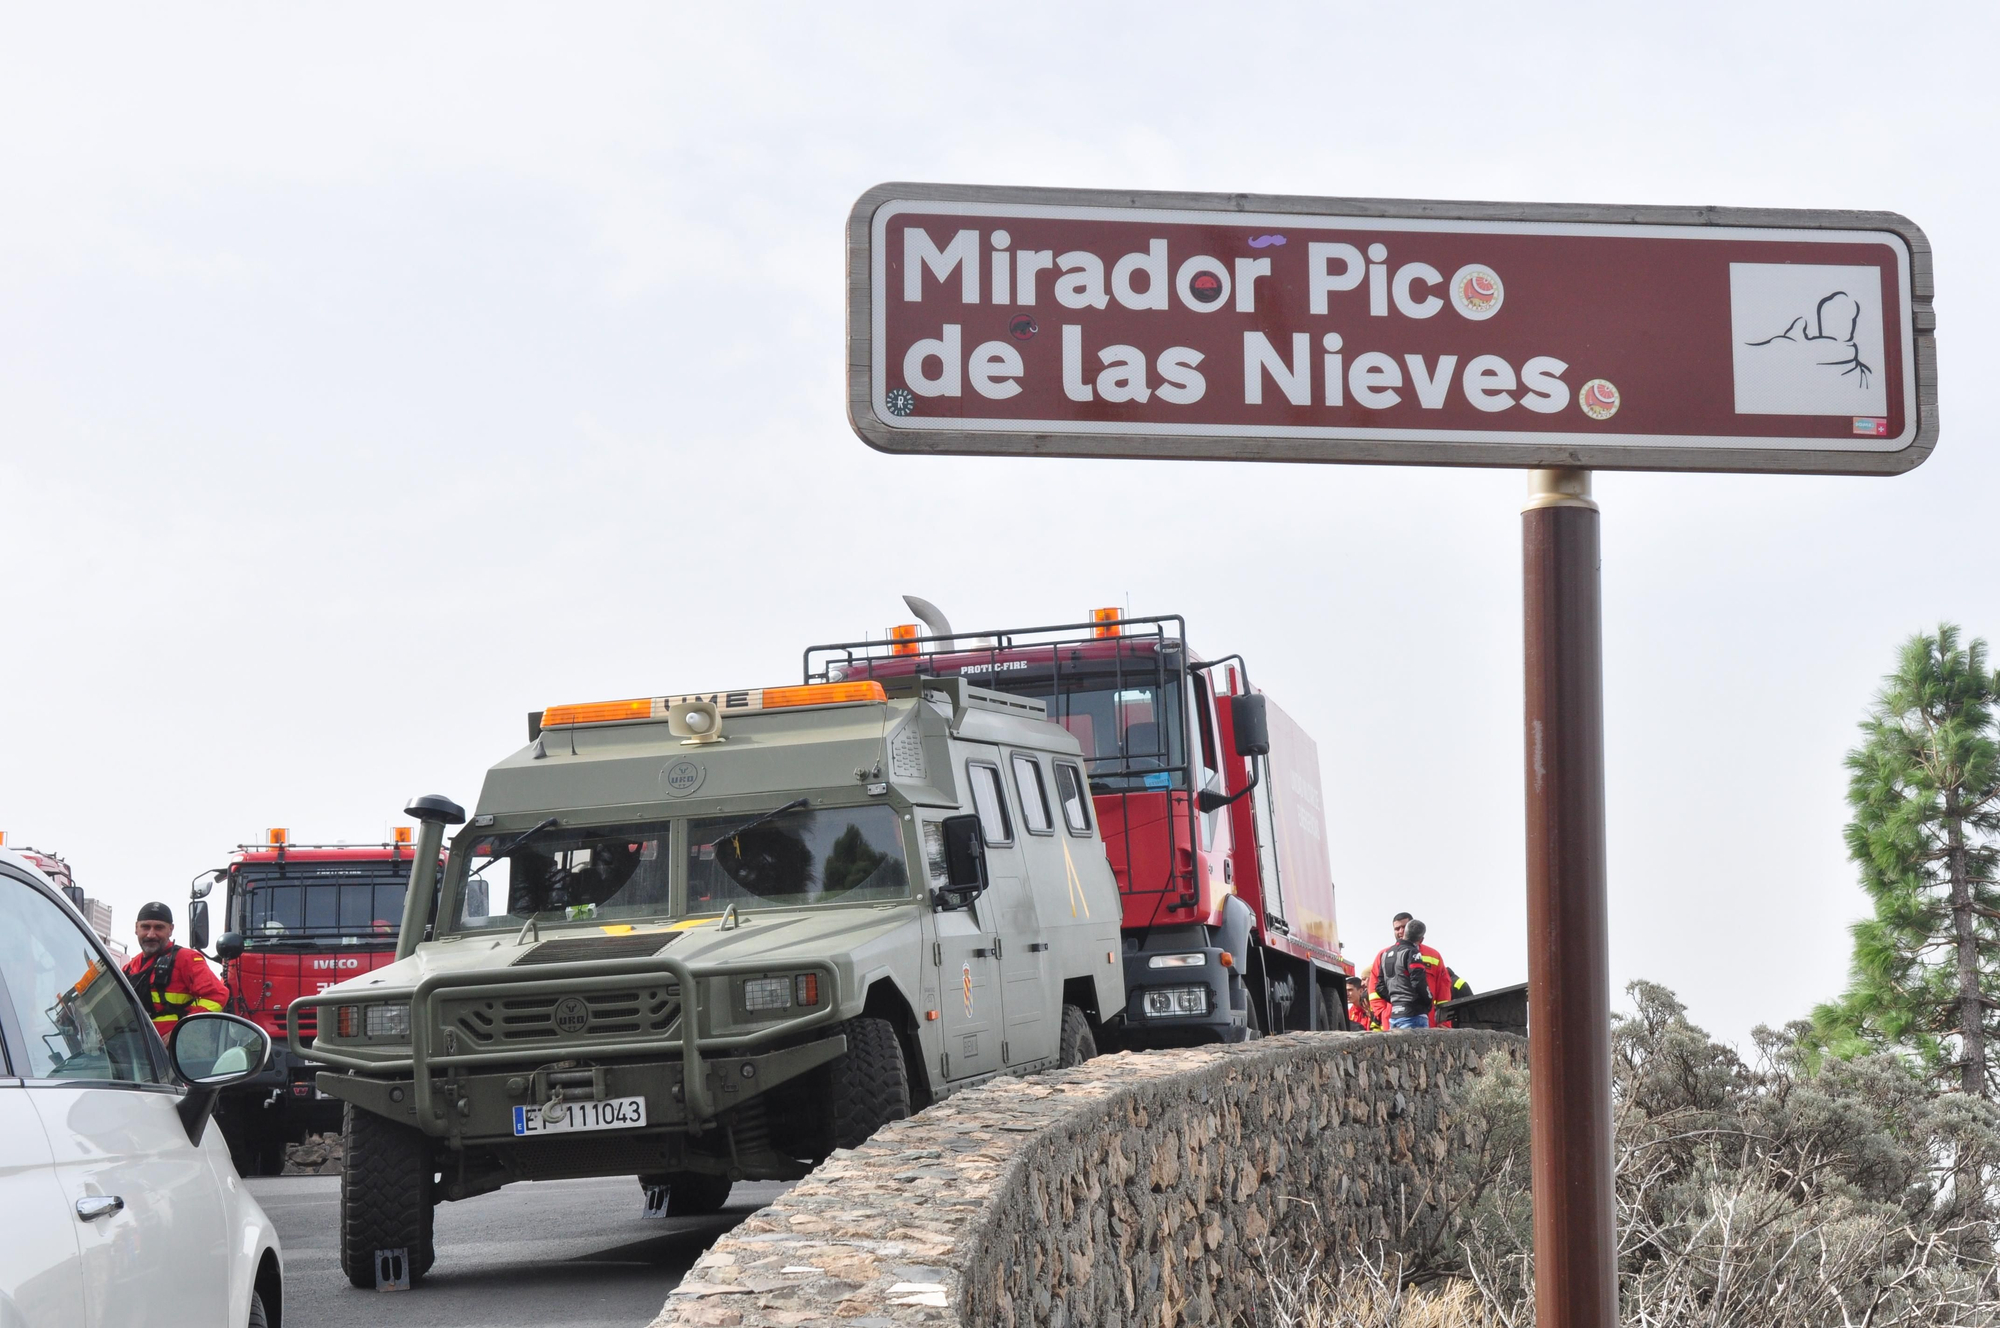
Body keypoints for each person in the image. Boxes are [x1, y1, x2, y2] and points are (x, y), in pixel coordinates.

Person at [122, 901, 227, 1039]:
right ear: (136, 928)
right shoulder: (129, 967)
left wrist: (180, 1031)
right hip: (135, 1048)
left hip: (170, 1052)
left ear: (170, 929)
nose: (151, 934)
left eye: (159, 928)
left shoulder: (186, 958)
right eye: (145, 927)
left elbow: (217, 996)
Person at [1369, 911, 1457, 1028]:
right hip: (1397, 1017)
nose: (1400, 931)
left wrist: (1444, 1021)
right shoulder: (1383, 955)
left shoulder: (1433, 955)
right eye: (1397, 928)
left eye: (1404, 927)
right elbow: (1375, 990)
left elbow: (1444, 990)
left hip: (1429, 1021)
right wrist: (1384, 1012)